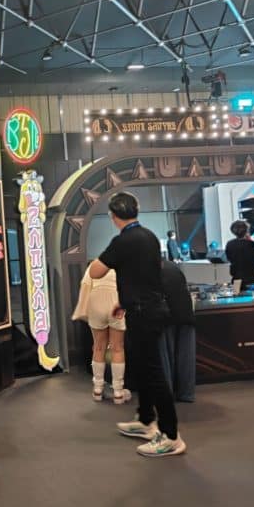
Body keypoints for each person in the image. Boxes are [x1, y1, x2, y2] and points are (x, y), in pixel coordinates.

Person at [89, 192, 185, 458]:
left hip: (145, 314)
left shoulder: (123, 241)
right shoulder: (149, 236)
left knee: (153, 372)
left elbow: (95, 271)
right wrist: (125, 302)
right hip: (147, 308)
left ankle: (171, 436)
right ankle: (145, 420)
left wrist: (106, 258)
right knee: (143, 368)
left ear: (113, 216)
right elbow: (142, 276)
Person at [72, 265, 129, 404]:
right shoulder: (123, 265)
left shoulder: (95, 265)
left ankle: (97, 389)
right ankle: (118, 392)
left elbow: (85, 285)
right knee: (117, 348)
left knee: (98, 347)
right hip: (116, 304)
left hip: (96, 303)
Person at [159, 260, 196, 403]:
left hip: (164, 315)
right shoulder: (172, 267)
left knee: (164, 356)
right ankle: (187, 393)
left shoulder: (146, 269)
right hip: (185, 313)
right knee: (186, 355)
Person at [225, 220, 254, 287]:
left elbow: (229, 258)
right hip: (250, 277)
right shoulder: (250, 244)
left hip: (236, 277)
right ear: (246, 231)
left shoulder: (229, 244)